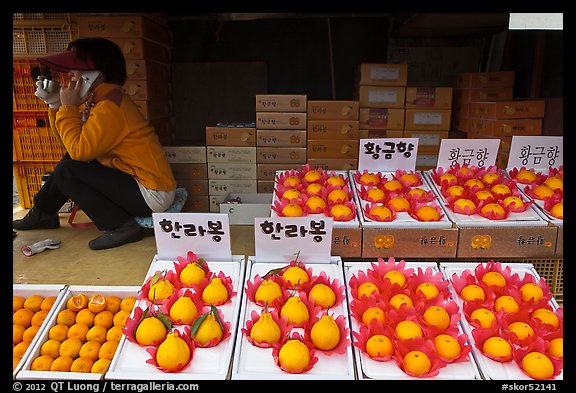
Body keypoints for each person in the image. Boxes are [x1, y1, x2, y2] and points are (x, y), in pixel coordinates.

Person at [13, 37, 177, 251]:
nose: (69, 74)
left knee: (67, 170)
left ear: (94, 74)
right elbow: (70, 145)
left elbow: (80, 151)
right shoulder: (102, 100)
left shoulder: (110, 106)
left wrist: (68, 108)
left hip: (151, 192)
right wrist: (56, 104)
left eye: (75, 69)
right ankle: (43, 212)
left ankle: (121, 226)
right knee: (69, 162)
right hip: (134, 180)